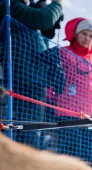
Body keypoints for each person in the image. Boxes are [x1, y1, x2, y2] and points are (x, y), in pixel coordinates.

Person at [0, 0, 63, 147]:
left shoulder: (23, 10)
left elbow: (48, 29)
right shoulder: (11, 4)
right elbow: (44, 19)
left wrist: (42, 4)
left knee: (30, 133)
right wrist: (57, 4)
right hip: (23, 81)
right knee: (27, 135)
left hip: (31, 80)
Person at [54, 18, 92, 159]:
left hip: (90, 114)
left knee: (87, 156)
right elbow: (53, 77)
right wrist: (50, 99)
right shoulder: (63, 52)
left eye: (90, 35)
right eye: (84, 33)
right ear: (76, 34)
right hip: (67, 111)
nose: (87, 38)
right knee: (68, 154)